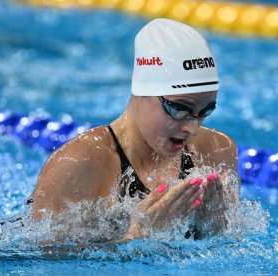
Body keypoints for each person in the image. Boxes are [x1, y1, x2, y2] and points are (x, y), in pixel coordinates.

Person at [29, 18, 239, 242]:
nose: (192, 128)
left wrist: (215, 230)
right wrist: (134, 240)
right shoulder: (78, 164)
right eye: (179, 109)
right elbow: (41, 260)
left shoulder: (216, 150)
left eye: (205, 111)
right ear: (142, 92)